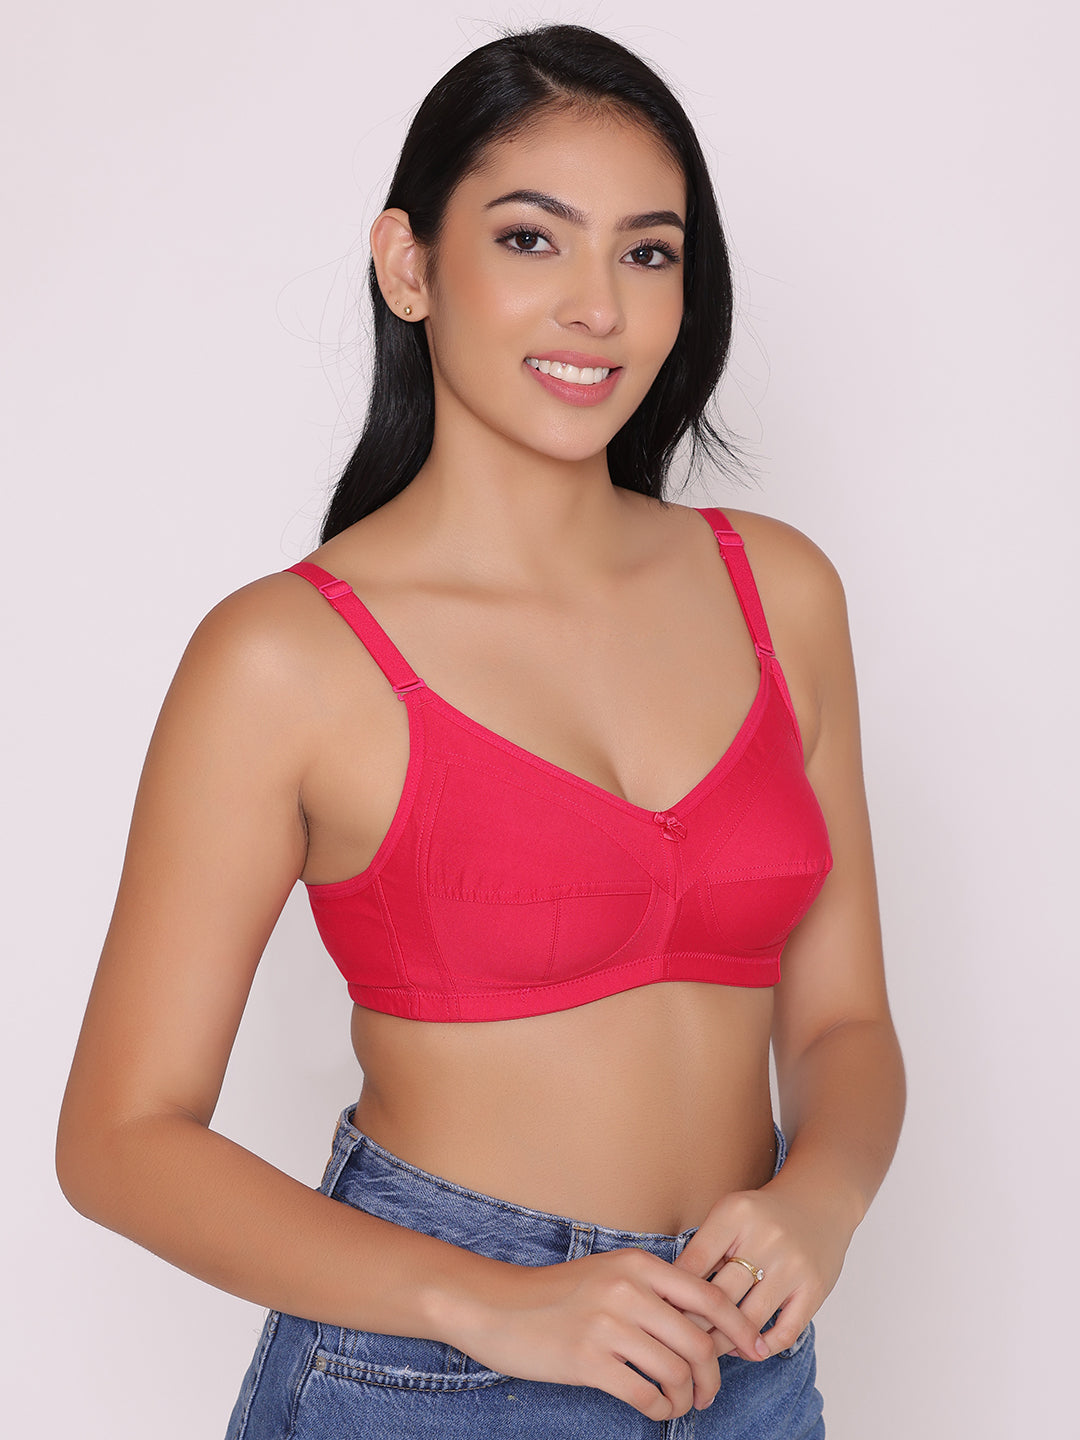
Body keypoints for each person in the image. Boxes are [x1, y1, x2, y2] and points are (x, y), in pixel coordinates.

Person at [56, 23, 905, 1439]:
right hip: (429, 1376)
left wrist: (822, 1195)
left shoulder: (782, 592)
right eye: (530, 239)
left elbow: (844, 1021)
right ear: (409, 266)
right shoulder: (285, 659)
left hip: (746, 1358)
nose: (597, 307)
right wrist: (490, 1302)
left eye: (648, 253)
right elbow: (117, 1140)